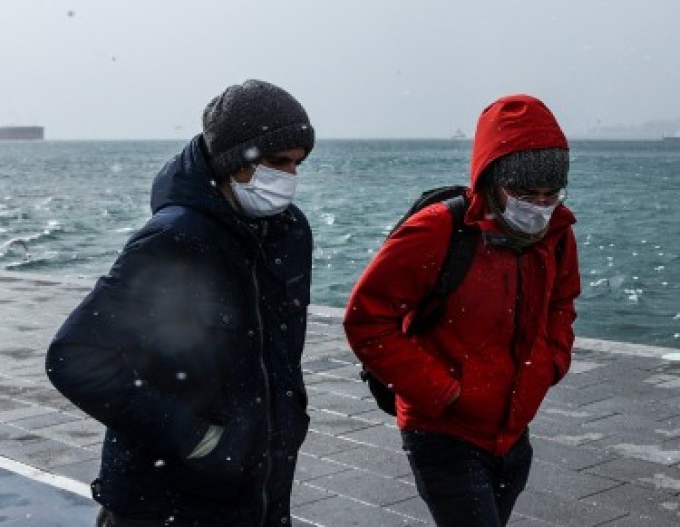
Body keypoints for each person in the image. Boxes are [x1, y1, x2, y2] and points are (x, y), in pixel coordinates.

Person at [46, 80, 316, 527]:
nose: (289, 177)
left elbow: (282, 346)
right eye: (276, 162)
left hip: (260, 491)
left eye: (297, 164)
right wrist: (197, 439)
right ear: (233, 159)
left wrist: (286, 422)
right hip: (164, 503)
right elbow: (75, 357)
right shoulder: (175, 237)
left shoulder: (289, 232)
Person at [344, 93, 580, 527]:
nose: (539, 206)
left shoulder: (557, 233)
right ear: (492, 180)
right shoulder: (437, 230)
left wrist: (552, 362)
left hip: (513, 433)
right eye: (525, 193)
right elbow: (367, 320)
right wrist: (443, 392)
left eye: (551, 195)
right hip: (443, 433)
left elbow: (562, 302)